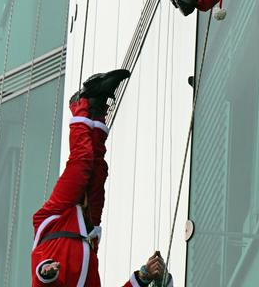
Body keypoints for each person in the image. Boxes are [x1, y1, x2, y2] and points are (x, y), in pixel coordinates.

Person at [31, 70, 170, 287]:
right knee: (98, 170)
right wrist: (143, 276)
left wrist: (46, 274)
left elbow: (40, 279)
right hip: (88, 229)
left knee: (82, 162)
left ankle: (81, 103)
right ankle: (97, 109)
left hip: (56, 221)